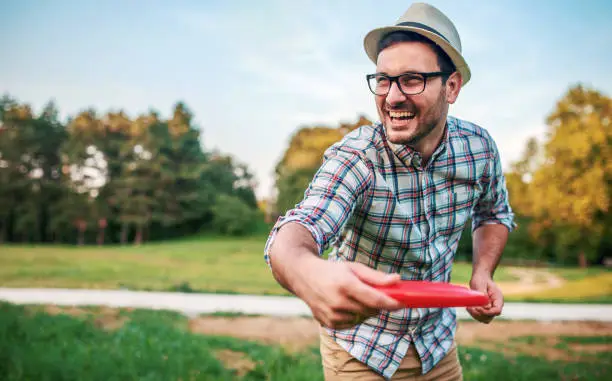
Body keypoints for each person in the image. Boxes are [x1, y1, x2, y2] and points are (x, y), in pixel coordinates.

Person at [264, 2, 515, 380]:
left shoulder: (478, 148)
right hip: (361, 349)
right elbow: (300, 227)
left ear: (451, 86)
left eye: (412, 79)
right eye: (383, 80)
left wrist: (483, 272)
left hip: (437, 345)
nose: (392, 96)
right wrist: (307, 272)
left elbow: (493, 213)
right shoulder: (358, 157)